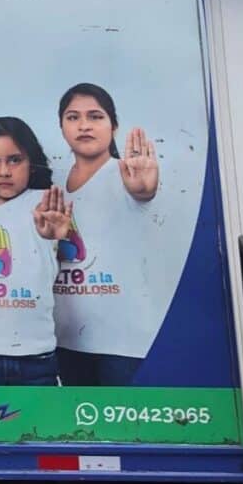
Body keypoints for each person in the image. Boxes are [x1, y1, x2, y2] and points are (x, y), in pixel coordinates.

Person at [53, 83, 160, 385]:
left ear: (113, 125)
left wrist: (144, 189)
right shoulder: (53, 183)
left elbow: (143, 191)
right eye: (73, 117)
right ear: (61, 126)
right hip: (66, 340)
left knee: (124, 430)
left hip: (122, 344)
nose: (84, 125)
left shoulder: (127, 174)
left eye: (95, 116)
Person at [0, 117, 71, 386]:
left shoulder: (45, 205)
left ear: (32, 164)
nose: (4, 171)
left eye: (15, 160)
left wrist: (55, 238)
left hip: (34, 357)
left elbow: (59, 247)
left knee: (38, 429)